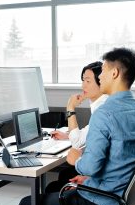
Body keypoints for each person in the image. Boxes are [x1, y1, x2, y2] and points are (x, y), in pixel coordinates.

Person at [17, 47, 135, 205]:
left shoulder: (104, 113)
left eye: (102, 71)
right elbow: (121, 161)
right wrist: (88, 180)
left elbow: (90, 166)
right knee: (54, 190)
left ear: (114, 73)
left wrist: (76, 160)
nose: (100, 76)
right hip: (120, 198)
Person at [46, 61, 108, 191]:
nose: (83, 85)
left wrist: (70, 108)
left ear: (101, 82)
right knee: (64, 174)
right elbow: (90, 132)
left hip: (99, 175)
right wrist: (68, 136)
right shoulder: (103, 104)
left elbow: (77, 143)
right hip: (101, 170)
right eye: (83, 80)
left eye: (88, 81)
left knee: (54, 186)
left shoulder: (102, 109)